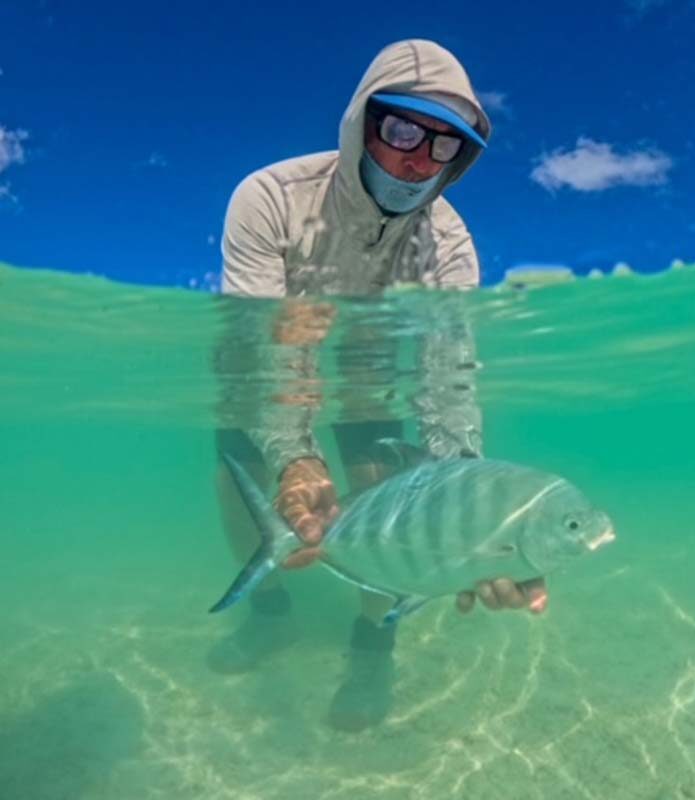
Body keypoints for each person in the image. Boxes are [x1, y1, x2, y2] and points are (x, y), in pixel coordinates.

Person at [210, 39, 547, 730]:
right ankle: (270, 616)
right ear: (363, 121)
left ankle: (373, 646)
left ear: (462, 160)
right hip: (272, 357)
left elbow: (447, 384)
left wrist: (482, 516)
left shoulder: (449, 245)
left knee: (380, 496)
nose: (419, 159)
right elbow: (260, 343)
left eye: (444, 145)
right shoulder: (269, 198)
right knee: (240, 478)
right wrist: (293, 454)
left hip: (369, 374)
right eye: (401, 129)